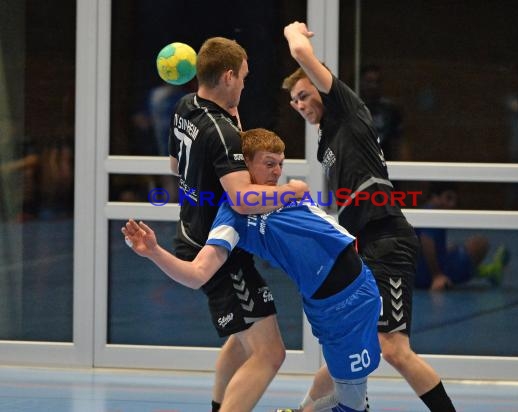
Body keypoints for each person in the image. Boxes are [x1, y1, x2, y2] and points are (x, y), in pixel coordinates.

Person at [123, 128, 382, 412]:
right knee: (351, 399)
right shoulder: (232, 215)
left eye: (280, 164)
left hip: (360, 286)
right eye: (269, 163)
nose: (276, 171)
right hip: (330, 303)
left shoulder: (288, 192)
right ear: (243, 164)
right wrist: (153, 252)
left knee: (346, 383)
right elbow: (198, 273)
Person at [281, 21, 456, 412]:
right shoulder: (326, 140)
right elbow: (339, 204)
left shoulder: (347, 108)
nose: (300, 105)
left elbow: (300, 54)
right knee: (345, 346)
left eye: (304, 95)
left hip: (388, 240)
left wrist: (295, 33)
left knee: (394, 350)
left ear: (321, 86)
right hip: (361, 248)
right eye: (294, 102)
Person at [167, 37, 308, 412]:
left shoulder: (185, 107)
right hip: (217, 250)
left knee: (239, 339)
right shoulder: (221, 131)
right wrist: (292, 191)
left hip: (193, 231)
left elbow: (175, 168)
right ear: (228, 76)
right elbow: (243, 198)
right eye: (243, 77)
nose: (245, 84)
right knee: (270, 353)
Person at [415, 182, 509, 291]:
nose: (452, 204)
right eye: (448, 198)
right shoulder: (432, 213)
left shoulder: (423, 210)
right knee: (480, 243)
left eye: (454, 200)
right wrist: (437, 276)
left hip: (417, 274)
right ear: (434, 197)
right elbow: (427, 242)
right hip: (426, 276)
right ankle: (490, 271)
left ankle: (487, 271)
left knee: (453, 247)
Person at [359, 64, 406, 161]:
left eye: (377, 82)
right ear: (360, 83)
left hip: (386, 164)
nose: (373, 86)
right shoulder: (353, 108)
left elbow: (399, 143)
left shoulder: (390, 109)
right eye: (369, 82)